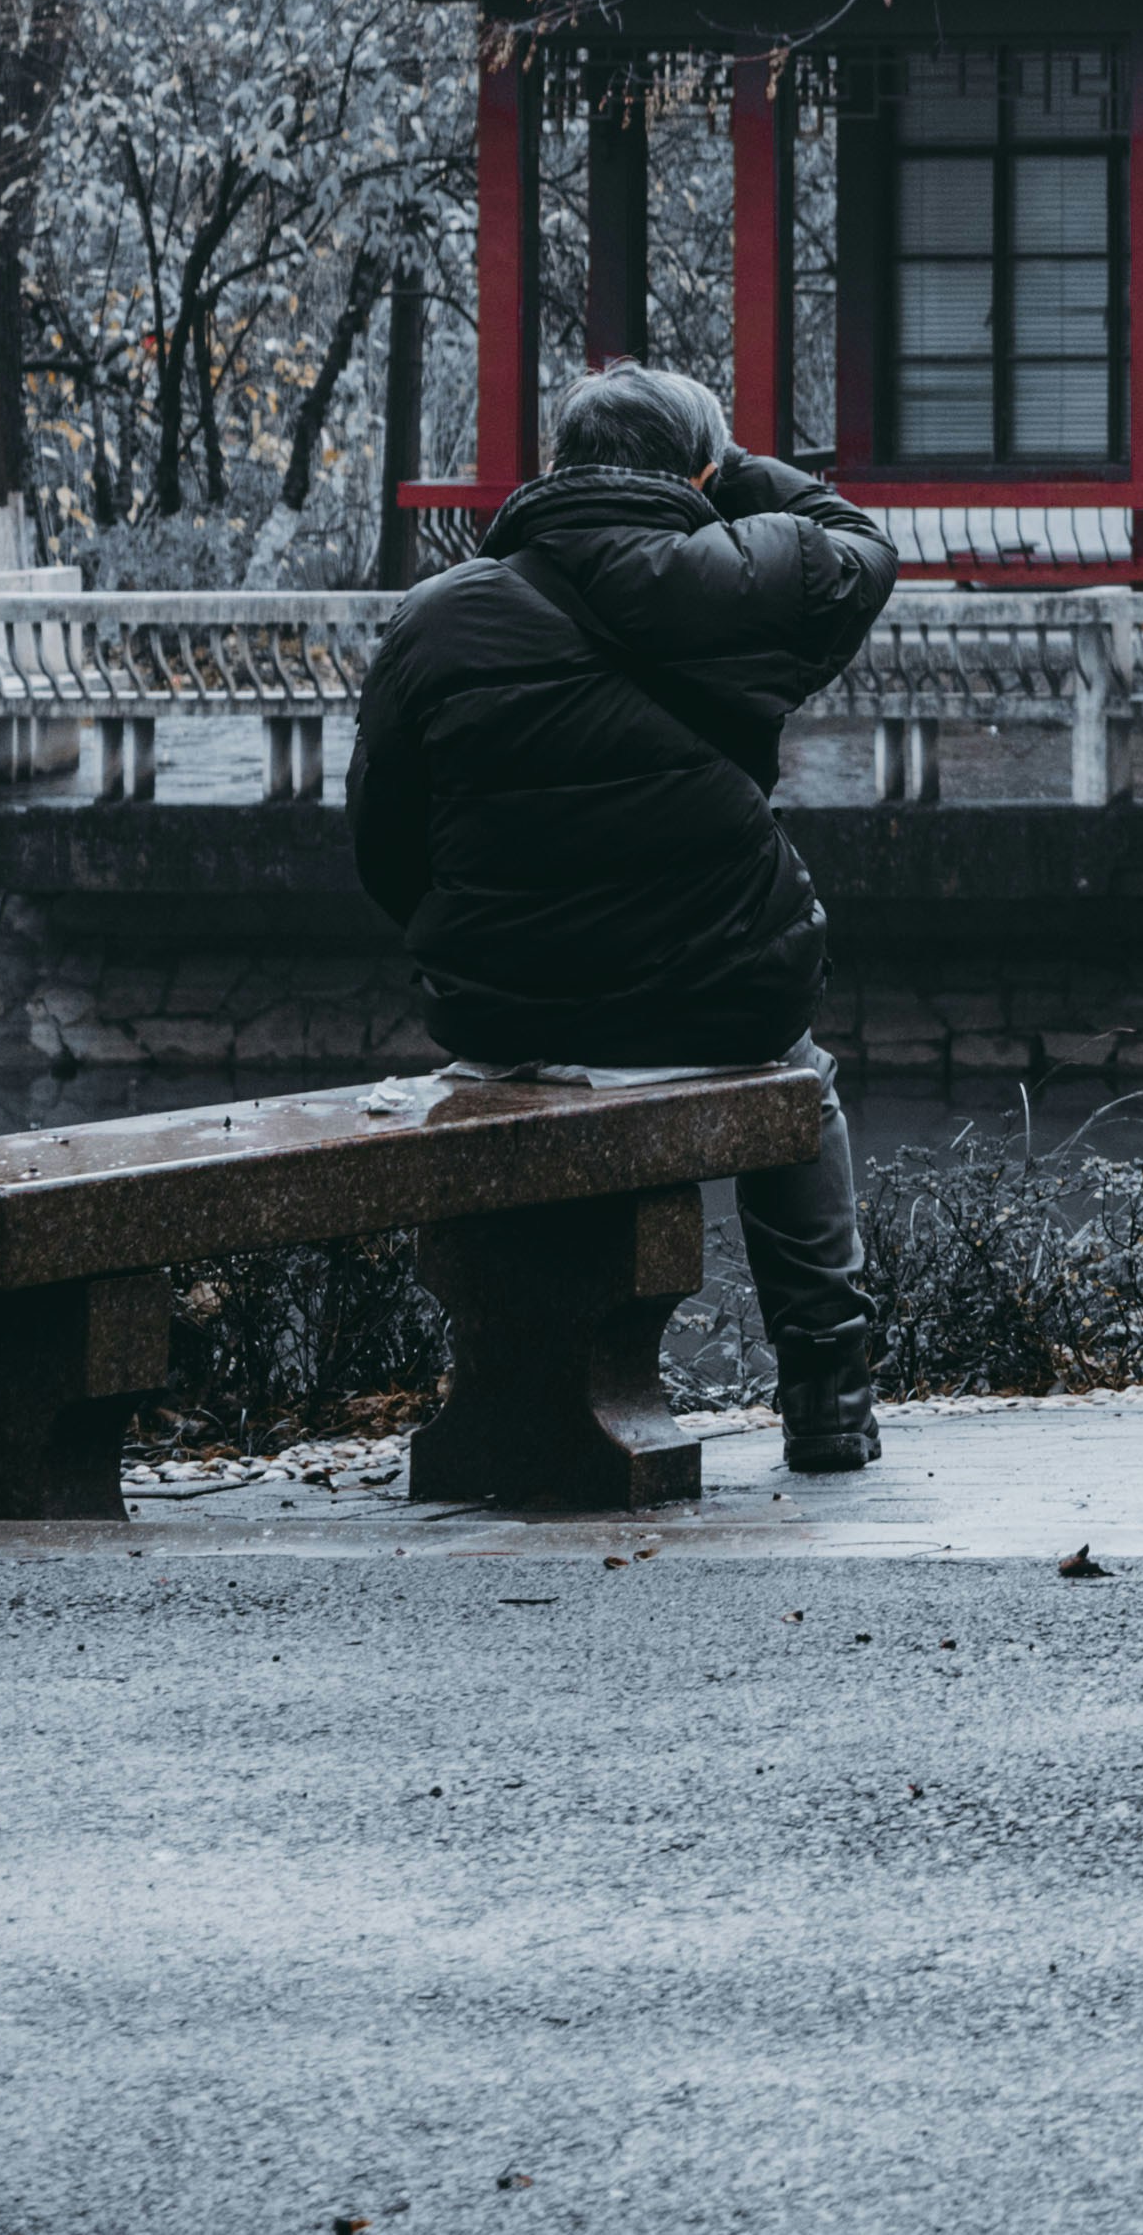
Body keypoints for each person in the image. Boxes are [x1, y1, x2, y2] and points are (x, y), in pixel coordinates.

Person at [345, 361, 901, 1473]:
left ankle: (522, 1393)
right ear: (700, 471)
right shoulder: (744, 582)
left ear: (555, 465)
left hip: (504, 1008)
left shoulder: (437, 616)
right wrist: (734, 470)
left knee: (738, 1067)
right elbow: (861, 544)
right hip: (724, 997)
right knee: (797, 1081)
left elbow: (383, 844)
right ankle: (829, 1399)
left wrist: (482, 941)